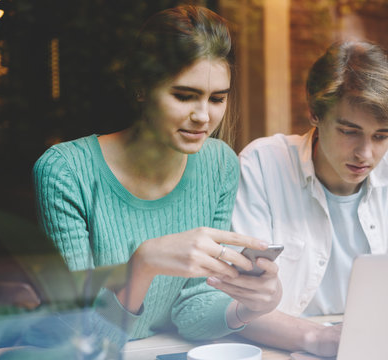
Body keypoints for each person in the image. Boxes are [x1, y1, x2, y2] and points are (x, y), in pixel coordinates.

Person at [33, 5, 281, 348]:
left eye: (217, 99)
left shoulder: (220, 164)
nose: (202, 116)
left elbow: (194, 306)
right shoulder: (66, 171)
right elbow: (78, 335)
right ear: (141, 88)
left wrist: (250, 307)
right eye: (184, 95)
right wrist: (143, 265)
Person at [231, 40, 388, 356]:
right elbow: (234, 301)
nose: (365, 153)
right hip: (286, 348)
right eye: (349, 131)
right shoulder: (262, 166)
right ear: (315, 113)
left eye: (382, 135)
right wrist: (322, 339)